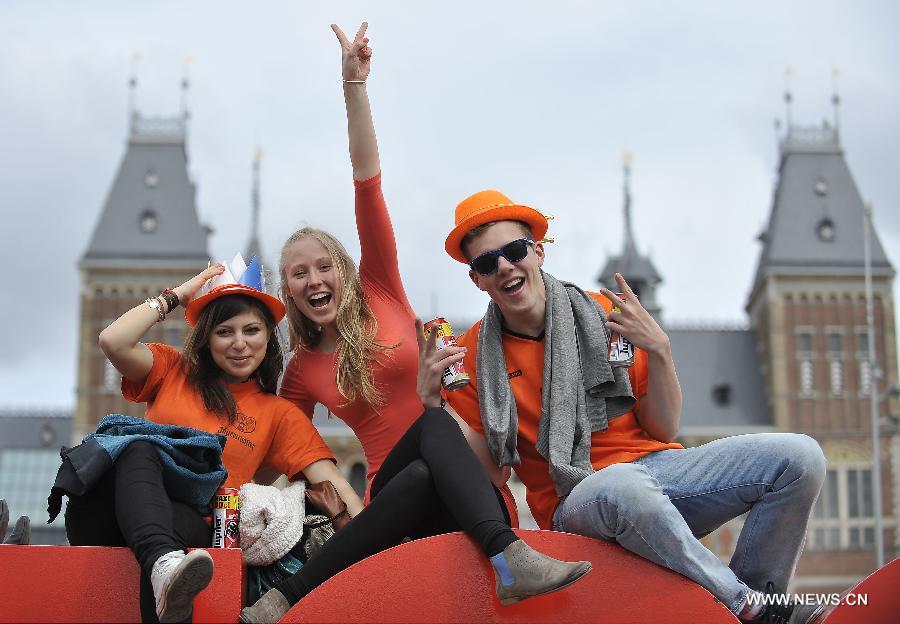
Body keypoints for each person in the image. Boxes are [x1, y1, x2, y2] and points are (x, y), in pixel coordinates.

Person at [240, 22, 592, 623]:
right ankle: (511, 562)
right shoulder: (300, 371)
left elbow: (366, 178)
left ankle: (284, 602)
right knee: (427, 441)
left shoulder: (381, 288)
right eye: (298, 274)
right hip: (393, 504)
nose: (313, 279)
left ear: (346, 271)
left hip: (469, 493)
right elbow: (278, 446)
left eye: (324, 265)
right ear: (289, 292)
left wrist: (353, 84)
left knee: (434, 435)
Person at [429, 189, 828, 624]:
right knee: (624, 486)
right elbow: (495, 472)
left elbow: (662, 428)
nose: (504, 265)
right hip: (576, 498)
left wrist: (659, 349)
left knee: (800, 457)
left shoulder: (604, 315)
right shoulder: (468, 359)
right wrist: (436, 404)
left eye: (514, 250)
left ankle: (759, 602)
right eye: (487, 262)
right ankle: (746, 608)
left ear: (538, 252)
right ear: (477, 279)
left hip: (659, 472)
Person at [63, 259, 364, 623]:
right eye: (225, 332)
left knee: (172, 528)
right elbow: (113, 340)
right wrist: (178, 296)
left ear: (269, 336)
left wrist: (380, 546)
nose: (240, 344)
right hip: (108, 517)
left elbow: (336, 487)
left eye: (252, 330)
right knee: (140, 445)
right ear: (207, 338)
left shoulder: (279, 415)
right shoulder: (172, 369)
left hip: (191, 528)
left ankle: (164, 567)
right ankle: (165, 565)